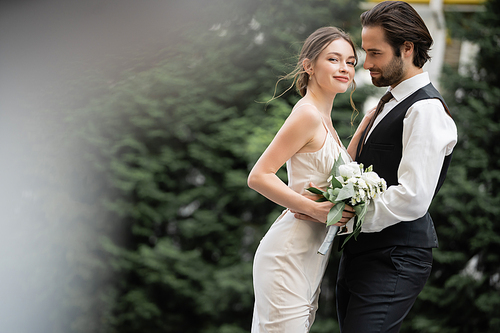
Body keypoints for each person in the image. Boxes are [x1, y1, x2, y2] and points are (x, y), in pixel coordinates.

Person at [335, 2, 457, 332]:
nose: (367, 63)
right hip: (360, 254)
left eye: (375, 53)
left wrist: (346, 221)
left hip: (395, 258)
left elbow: (413, 196)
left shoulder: (426, 110)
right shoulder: (387, 104)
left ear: (407, 48)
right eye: (365, 51)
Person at [248, 26, 367, 332]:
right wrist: (314, 209)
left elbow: (337, 166)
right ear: (309, 65)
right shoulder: (308, 115)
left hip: (309, 257)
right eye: (334, 59)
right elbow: (259, 176)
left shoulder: (323, 119)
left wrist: (368, 121)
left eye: (351, 62)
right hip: (289, 252)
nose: (344, 68)